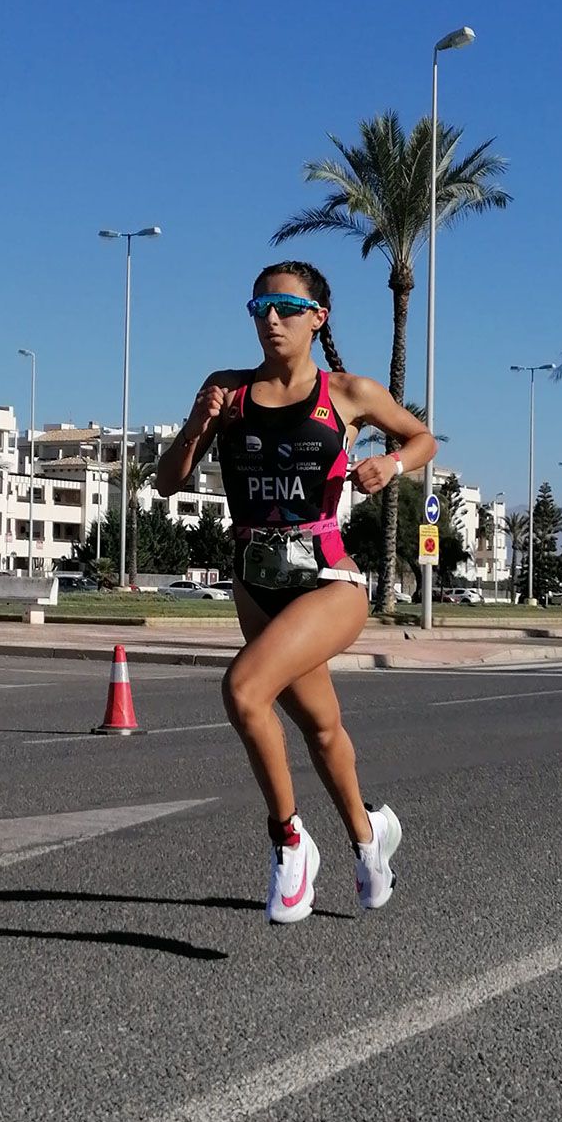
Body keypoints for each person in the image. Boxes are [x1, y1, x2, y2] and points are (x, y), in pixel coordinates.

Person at [155, 260, 437, 923]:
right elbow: (168, 481)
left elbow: (421, 435)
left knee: (244, 690)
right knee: (321, 725)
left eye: (285, 306)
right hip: (255, 582)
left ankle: (290, 844)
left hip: (330, 581)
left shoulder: (347, 392)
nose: (271, 319)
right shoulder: (227, 390)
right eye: (260, 308)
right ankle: (370, 844)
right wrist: (199, 424)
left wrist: (390, 463)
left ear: (319, 316)